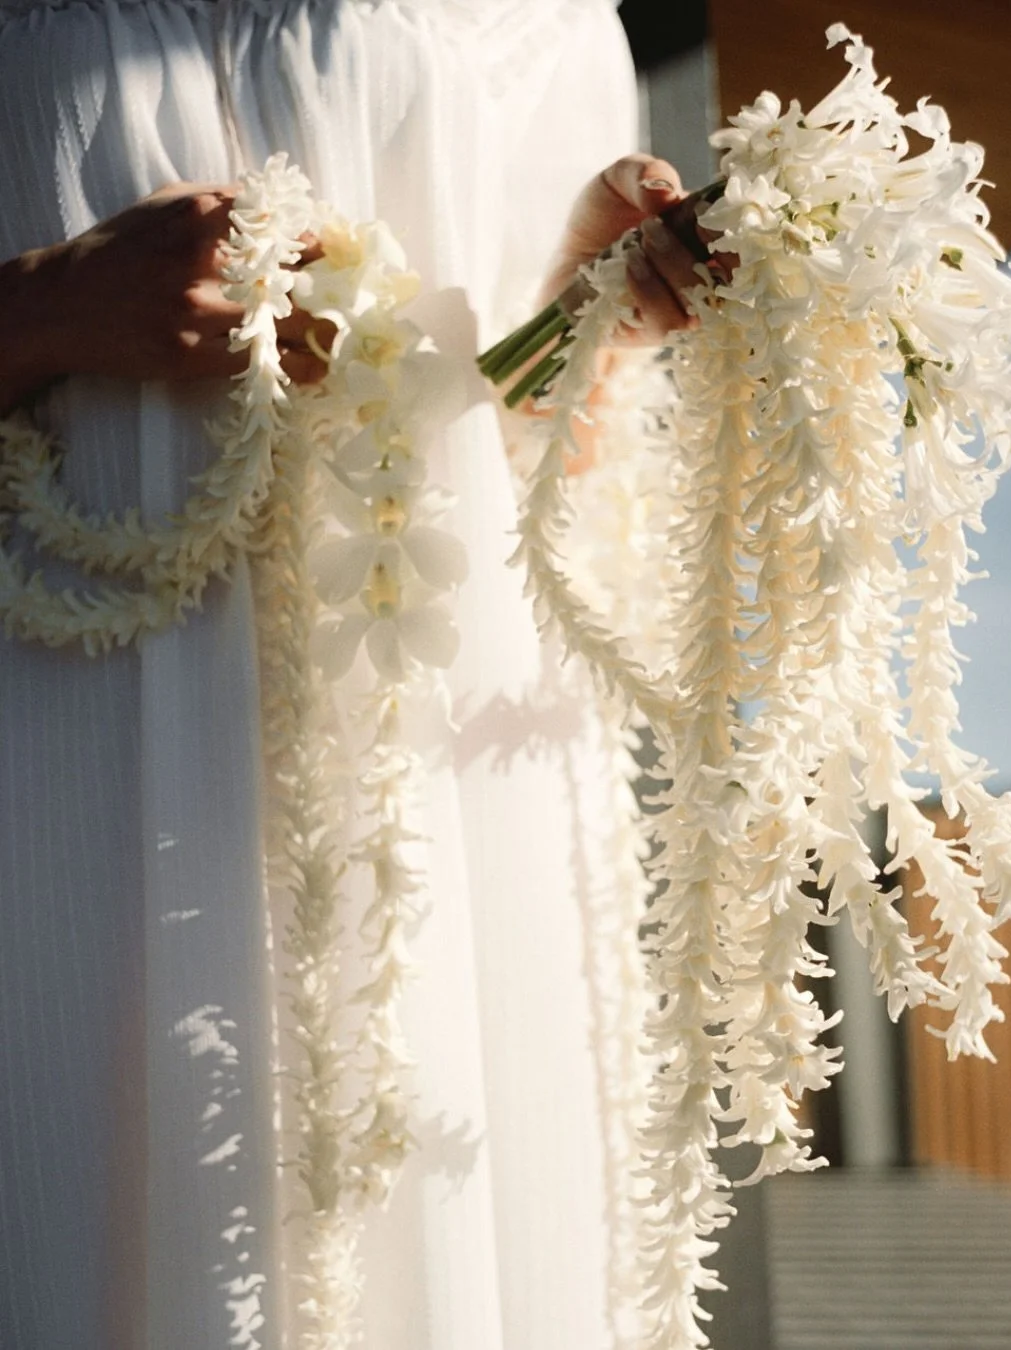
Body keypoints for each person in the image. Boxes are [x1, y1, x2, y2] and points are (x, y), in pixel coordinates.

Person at [0, 1, 707, 1346]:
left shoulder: (564, 30)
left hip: (441, 779)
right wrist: (47, 303)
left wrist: (590, 319)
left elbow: (502, 430)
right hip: (55, 750)